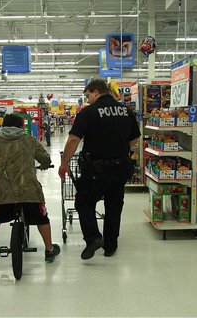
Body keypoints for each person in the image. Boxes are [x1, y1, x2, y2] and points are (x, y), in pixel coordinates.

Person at [58, 79, 140, 260]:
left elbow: (73, 140)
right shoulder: (126, 111)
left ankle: (93, 237)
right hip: (120, 169)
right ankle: (111, 246)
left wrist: (64, 164)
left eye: (88, 95)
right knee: (114, 206)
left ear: (96, 92)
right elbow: (134, 141)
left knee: (84, 202)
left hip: (95, 170)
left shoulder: (88, 112)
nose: (87, 100)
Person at [0, 113, 60, 268]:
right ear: (22, 126)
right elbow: (44, 158)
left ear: (3, 126)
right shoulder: (29, 140)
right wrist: (44, 165)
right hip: (28, 191)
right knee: (42, 218)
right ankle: (49, 249)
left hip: (2, 192)